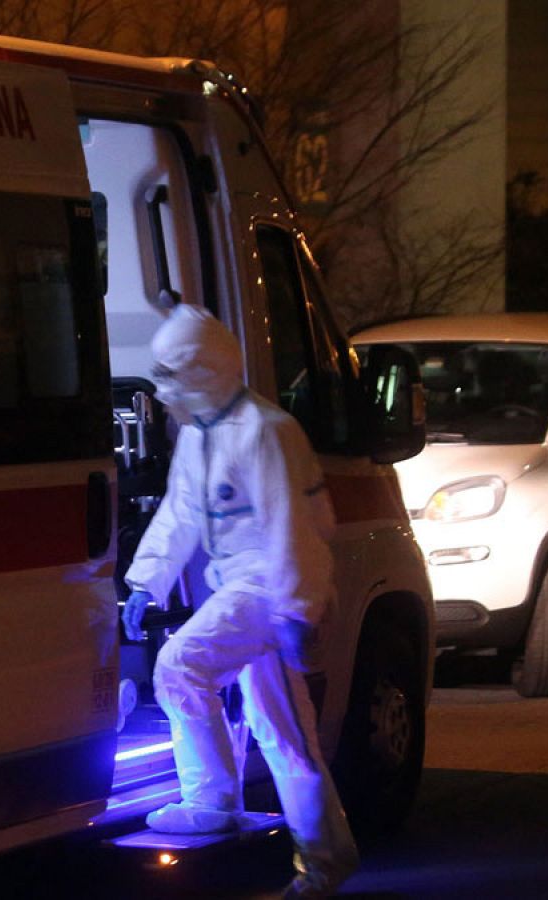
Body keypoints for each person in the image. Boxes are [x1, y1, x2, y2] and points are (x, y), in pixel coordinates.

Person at [121, 304, 359, 899]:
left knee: (180, 665)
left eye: (172, 376)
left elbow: (291, 529)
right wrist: (146, 581)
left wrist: (297, 611)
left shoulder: (265, 432)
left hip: (267, 586)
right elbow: (178, 513)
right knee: (283, 732)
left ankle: (212, 800)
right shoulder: (201, 437)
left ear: (203, 372)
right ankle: (326, 860)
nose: (164, 390)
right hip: (250, 588)